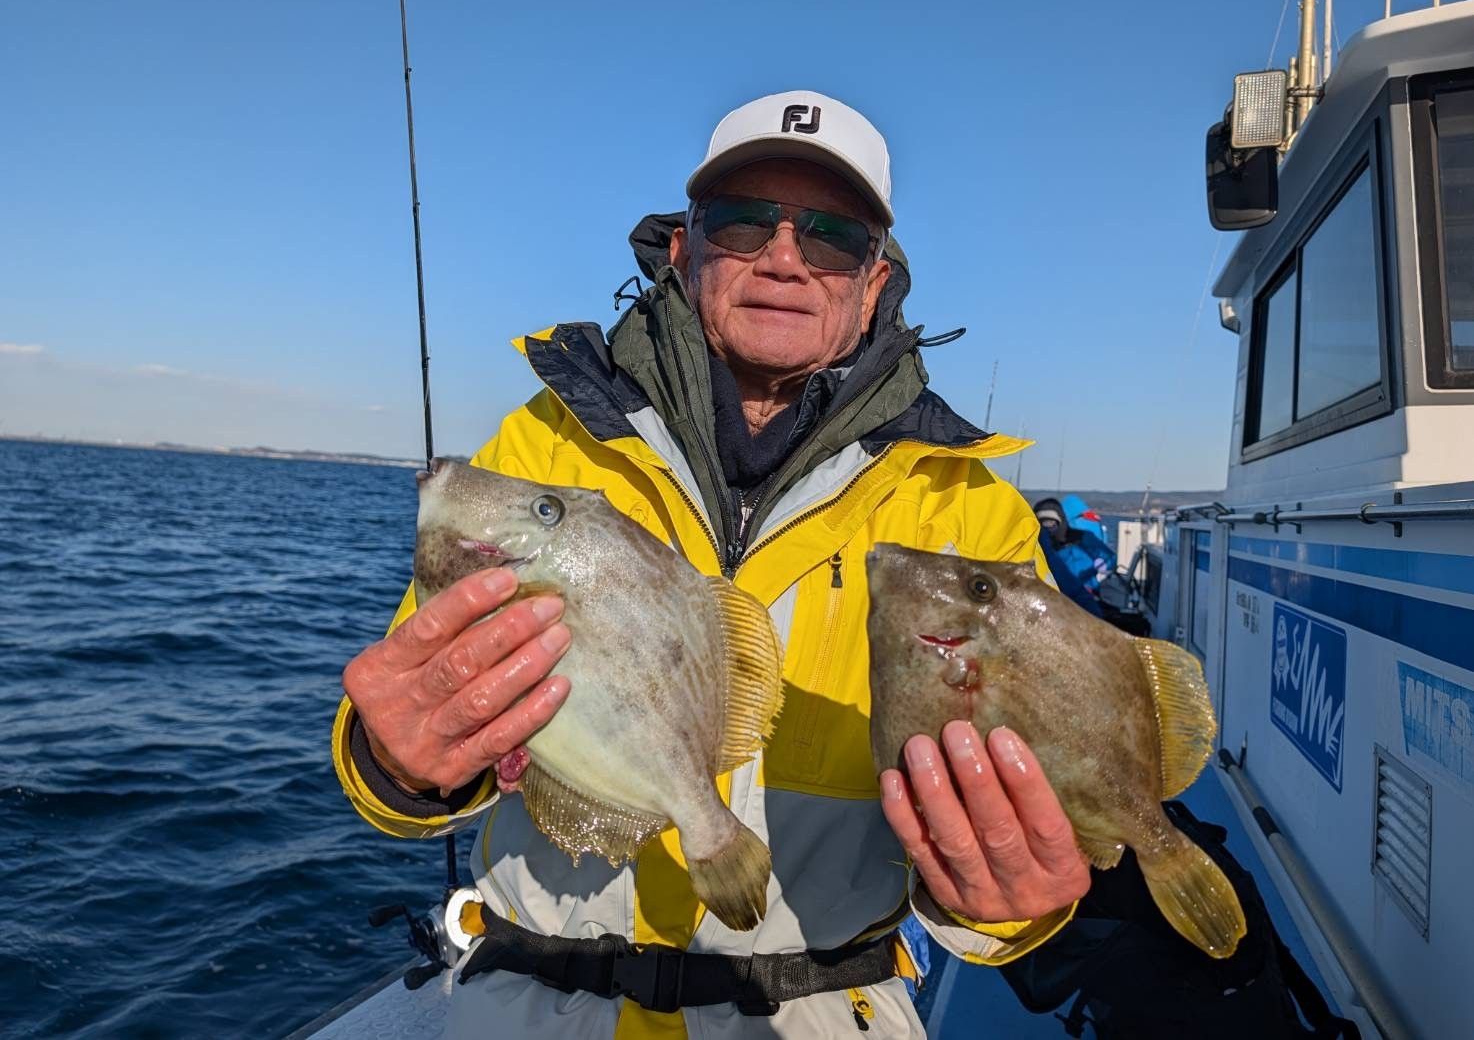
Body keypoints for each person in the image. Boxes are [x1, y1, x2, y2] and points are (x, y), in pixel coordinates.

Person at [333, 91, 1089, 1038]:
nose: (784, 258)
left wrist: (1007, 901)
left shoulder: (967, 513)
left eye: (832, 237)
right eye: (743, 222)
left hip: (817, 1011)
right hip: (532, 1000)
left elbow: (1014, 833)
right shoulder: (546, 444)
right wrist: (398, 765)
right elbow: (419, 711)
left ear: (875, 284)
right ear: (685, 253)